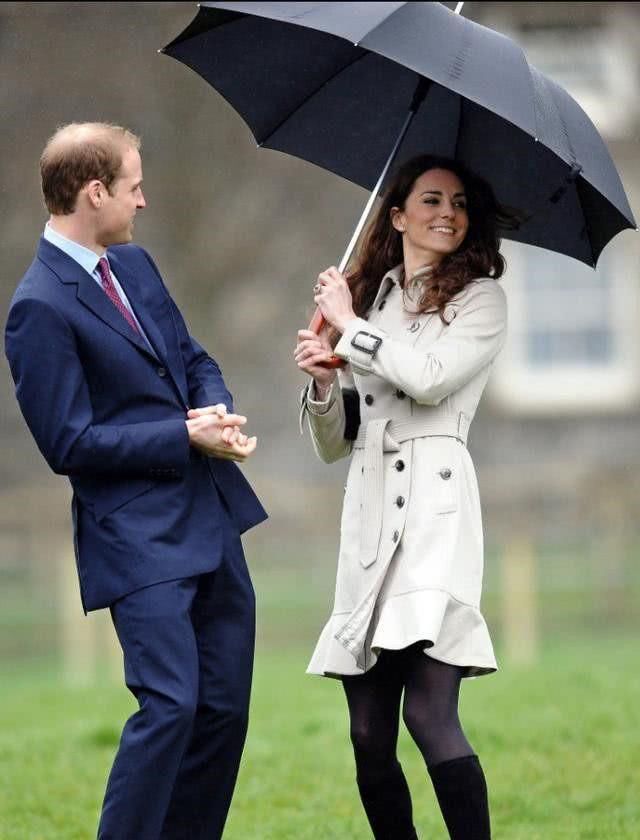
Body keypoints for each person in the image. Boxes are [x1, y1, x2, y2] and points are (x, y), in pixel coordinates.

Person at [5, 122, 267, 840]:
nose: (143, 201)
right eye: (134, 186)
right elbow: (68, 442)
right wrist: (183, 435)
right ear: (95, 193)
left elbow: (193, 357)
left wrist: (214, 411)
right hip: (136, 543)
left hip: (208, 520)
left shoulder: (136, 266)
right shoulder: (38, 306)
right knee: (171, 706)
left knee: (223, 710)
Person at [295, 154, 514, 840]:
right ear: (396, 216)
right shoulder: (375, 300)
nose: (448, 213)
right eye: (432, 200)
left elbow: (429, 377)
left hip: (434, 516)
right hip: (368, 510)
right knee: (367, 732)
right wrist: (324, 381)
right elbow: (338, 442)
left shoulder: (480, 300)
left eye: (459, 203)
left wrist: (348, 323)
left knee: (427, 714)